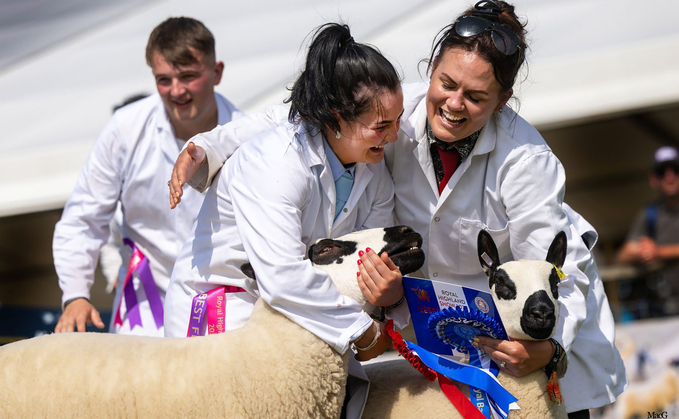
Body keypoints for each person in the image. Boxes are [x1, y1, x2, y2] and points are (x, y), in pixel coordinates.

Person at [168, 2, 627, 417]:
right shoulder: (394, 107)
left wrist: (549, 349)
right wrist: (208, 145)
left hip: (529, 340)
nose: (452, 103)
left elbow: (555, 272)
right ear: (431, 70)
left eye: (475, 97)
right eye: (445, 83)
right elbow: (295, 113)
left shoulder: (526, 160)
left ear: (502, 102)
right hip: (448, 334)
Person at [164, 22, 405, 419]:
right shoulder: (274, 162)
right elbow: (281, 276)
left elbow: (369, 256)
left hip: (302, 315)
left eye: (396, 121)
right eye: (382, 126)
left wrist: (382, 302)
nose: (395, 135)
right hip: (226, 309)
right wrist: (361, 331)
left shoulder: (371, 168)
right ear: (335, 117)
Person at [53, 17, 243, 336]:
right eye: (164, 79)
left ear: (217, 72)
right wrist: (75, 295)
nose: (177, 91)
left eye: (188, 76)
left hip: (224, 309)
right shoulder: (124, 129)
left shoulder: (245, 136)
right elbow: (83, 219)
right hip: (143, 309)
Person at [618, 145, 679, 316]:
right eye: (662, 171)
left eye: (675, 169)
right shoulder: (650, 213)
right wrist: (639, 251)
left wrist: (659, 252)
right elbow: (622, 255)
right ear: (654, 179)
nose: (670, 176)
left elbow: (657, 252)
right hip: (665, 308)